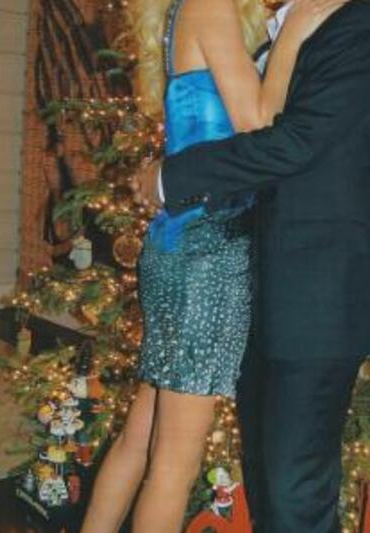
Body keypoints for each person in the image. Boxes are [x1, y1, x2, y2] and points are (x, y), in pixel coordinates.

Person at [81, 0, 347, 532]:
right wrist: (294, 34)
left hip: (178, 244)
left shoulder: (189, 7)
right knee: (173, 466)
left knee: (140, 437)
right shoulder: (210, 6)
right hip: (208, 252)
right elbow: (258, 124)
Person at [155, 1, 370, 531]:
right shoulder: (291, 23)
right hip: (263, 284)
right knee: (268, 481)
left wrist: (170, 178)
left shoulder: (359, 21)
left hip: (319, 298)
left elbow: (294, 143)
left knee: (294, 490)